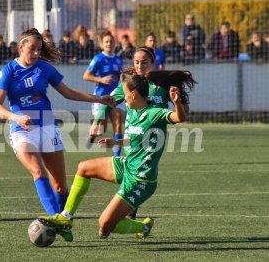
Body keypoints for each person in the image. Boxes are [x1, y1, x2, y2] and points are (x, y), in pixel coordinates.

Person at [39, 70, 196, 242]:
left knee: (105, 224)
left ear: (134, 94)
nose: (123, 97)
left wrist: (176, 103)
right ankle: (66, 217)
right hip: (127, 165)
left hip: (141, 180)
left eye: (125, 93)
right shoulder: (132, 109)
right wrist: (116, 143)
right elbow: (136, 138)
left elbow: (179, 117)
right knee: (83, 168)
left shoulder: (154, 113)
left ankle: (143, 226)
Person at [0, 28, 114, 225]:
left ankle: (64, 221)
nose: (36, 53)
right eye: (32, 48)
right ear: (21, 47)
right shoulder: (8, 71)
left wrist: (100, 98)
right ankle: (56, 220)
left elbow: (68, 93)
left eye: (39, 49)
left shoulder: (44, 68)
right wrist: (15, 118)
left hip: (48, 128)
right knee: (37, 171)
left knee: (60, 188)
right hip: (22, 130)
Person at [88, 46, 192, 220]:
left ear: (152, 62)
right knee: (134, 174)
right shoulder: (130, 84)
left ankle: (129, 205)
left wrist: (178, 102)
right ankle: (130, 206)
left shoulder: (163, 83)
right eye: (136, 62)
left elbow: (183, 110)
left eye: (144, 62)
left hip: (153, 140)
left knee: (141, 173)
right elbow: (110, 101)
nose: (139, 66)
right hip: (133, 138)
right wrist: (100, 119)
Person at [83, 30, 124, 157]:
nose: (109, 44)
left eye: (111, 41)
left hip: (115, 97)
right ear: (102, 44)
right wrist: (101, 79)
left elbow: (121, 75)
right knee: (101, 130)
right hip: (101, 97)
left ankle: (117, 156)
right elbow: (86, 76)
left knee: (118, 123)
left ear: (114, 43)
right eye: (106, 42)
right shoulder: (98, 59)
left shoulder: (118, 59)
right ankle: (92, 135)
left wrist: (123, 82)